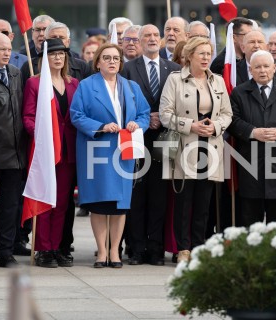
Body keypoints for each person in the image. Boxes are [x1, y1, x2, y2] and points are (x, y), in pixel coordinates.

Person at [70, 43, 150, 268]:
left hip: (124, 151)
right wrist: (102, 126)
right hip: (97, 150)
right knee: (99, 203)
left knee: (120, 205)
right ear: (98, 63)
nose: (112, 61)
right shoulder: (86, 86)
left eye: (116, 58)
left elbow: (144, 113)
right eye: (107, 58)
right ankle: (101, 251)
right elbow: (76, 115)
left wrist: (138, 123)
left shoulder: (131, 87)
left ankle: (115, 251)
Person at [159, 36, 232, 263]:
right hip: (184, 145)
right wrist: (191, 125)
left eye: (208, 54)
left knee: (203, 203)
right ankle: (183, 249)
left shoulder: (218, 81)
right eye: (201, 53)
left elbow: (227, 114)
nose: (206, 58)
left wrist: (215, 127)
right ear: (189, 56)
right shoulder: (175, 80)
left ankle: (199, 248)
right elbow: (164, 115)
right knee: (184, 203)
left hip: (210, 146)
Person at [121, 24, 181, 266]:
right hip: (137, 138)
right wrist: (145, 119)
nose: (153, 39)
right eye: (147, 36)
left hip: (166, 138)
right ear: (140, 40)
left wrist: (162, 117)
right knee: (137, 194)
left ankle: (155, 249)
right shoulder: (127, 69)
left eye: (156, 35)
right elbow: (122, 102)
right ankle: (136, 248)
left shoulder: (174, 69)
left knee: (159, 196)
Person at [228, 50, 276, 227]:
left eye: (266, 66)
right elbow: (231, 120)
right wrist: (253, 132)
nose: (262, 70)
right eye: (257, 67)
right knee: (250, 216)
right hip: (250, 160)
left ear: (274, 68)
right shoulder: (239, 93)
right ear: (250, 70)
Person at [22, 38, 79, 268]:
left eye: (61, 54)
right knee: (45, 199)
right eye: (53, 54)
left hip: (68, 150)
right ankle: (43, 249)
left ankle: (56, 247)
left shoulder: (73, 83)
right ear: (44, 58)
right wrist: (40, 133)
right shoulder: (35, 83)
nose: (57, 57)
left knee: (62, 202)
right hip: (45, 150)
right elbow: (28, 116)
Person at [0, 33, 26, 268]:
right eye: (2, 49)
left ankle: (5, 252)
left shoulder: (15, 72)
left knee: (11, 207)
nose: (7, 53)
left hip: (14, 153)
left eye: (9, 49)